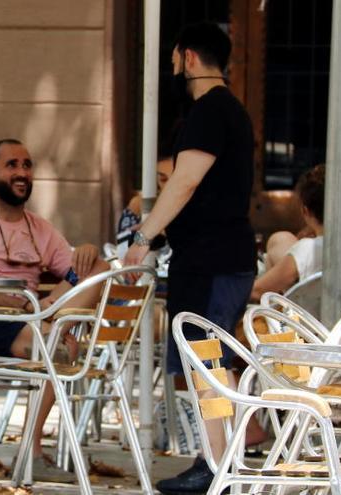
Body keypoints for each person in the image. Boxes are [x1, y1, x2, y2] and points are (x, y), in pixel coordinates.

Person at [123, 22, 255, 494]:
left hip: (210, 259)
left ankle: (217, 463)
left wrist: (145, 234)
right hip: (223, 255)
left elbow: (185, 180)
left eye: (176, 58)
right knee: (212, 361)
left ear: (188, 57)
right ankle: (222, 458)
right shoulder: (231, 111)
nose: (174, 66)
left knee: (206, 362)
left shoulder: (209, 111)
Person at [0, 138, 108, 475]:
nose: (22, 172)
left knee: (97, 277)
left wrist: (89, 252)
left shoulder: (40, 229)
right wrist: (25, 309)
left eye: (27, 165)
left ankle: (28, 450)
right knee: (58, 347)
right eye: (12, 165)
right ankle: (31, 451)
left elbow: (88, 272)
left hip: (32, 319)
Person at [250, 165, 341, 301]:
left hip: (303, 319)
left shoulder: (307, 250)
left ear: (305, 211)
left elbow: (256, 291)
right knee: (281, 239)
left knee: (278, 242)